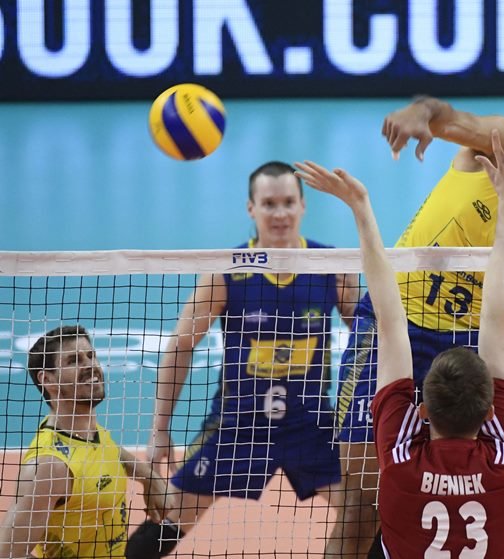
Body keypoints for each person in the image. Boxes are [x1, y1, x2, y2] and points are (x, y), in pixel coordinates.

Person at [330, 96, 504, 555]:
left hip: (466, 357)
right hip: (392, 323)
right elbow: (447, 117)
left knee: (437, 499)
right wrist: (421, 115)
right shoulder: (500, 142)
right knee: (361, 502)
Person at [296, 126, 504, 558]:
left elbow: (391, 323)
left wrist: (360, 208)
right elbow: (498, 317)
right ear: (489, 413)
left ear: (421, 411)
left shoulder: (400, 464)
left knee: (358, 511)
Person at [126, 161, 360, 558]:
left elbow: (368, 337)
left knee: (364, 519)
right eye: (269, 204)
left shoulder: (331, 267)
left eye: (288, 202)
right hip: (239, 424)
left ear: (303, 205)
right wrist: (159, 429)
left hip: (312, 425)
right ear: (251, 209)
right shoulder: (227, 272)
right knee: (167, 523)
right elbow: (182, 344)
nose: (280, 213)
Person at [0, 325, 172, 559]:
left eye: (91, 356)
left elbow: (106, 452)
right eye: (74, 360)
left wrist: (149, 477)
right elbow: (8, 552)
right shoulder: (49, 468)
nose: (90, 365)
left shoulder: (90, 433)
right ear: (48, 379)